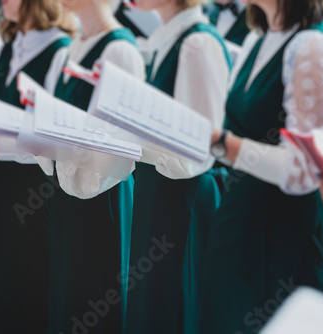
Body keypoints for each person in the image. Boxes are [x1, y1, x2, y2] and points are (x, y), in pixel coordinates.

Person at [202, 1, 323, 332]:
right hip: (237, 218)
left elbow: (302, 171)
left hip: (281, 233)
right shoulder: (256, 39)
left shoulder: (314, 45)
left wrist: (221, 143)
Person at [0, 0, 73, 332]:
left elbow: (53, 137)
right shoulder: (9, 46)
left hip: (31, 194)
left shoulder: (60, 51)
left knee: (21, 295)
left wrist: (1, 147)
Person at [33, 0, 144, 333]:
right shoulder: (74, 46)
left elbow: (120, 146)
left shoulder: (121, 50)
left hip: (102, 194)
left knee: (97, 300)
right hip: (66, 193)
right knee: (68, 300)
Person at [122, 1, 230, 334]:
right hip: (157, 193)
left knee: (176, 309)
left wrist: (130, 132)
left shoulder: (198, 43)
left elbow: (200, 150)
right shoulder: (167, 39)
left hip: (184, 201)